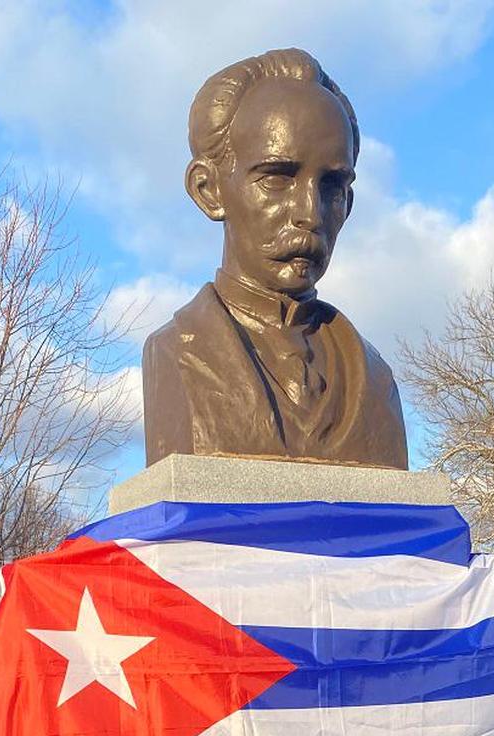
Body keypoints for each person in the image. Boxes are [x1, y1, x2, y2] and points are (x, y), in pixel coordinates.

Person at [143, 48, 408, 469]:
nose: (311, 212)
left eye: (332, 186)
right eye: (277, 178)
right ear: (208, 190)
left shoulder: (376, 382)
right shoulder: (176, 352)